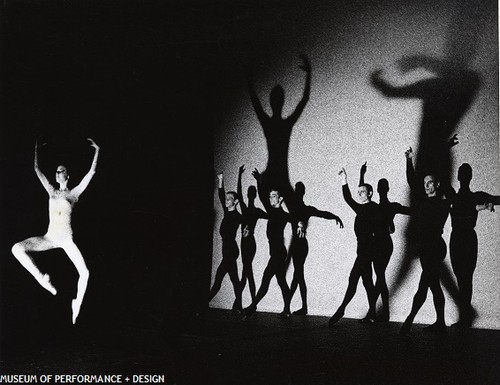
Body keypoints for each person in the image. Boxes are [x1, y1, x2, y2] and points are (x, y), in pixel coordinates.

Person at [11, 138, 100, 324]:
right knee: (17, 248)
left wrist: (97, 150)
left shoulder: (74, 194)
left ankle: (76, 303)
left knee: (85, 273)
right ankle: (43, 280)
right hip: (50, 237)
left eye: (61, 171)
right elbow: (37, 171)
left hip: (66, 239)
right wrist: (35, 151)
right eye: (56, 171)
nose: (57, 173)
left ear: (67, 175)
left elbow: (91, 172)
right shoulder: (51, 191)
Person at [400, 147, 451, 335]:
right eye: (425, 183)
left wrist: (444, 153)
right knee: (434, 285)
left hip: (435, 248)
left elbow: (441, 179)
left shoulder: (444, 203)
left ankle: (409, 319)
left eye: (430, 182)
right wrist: (409, 160)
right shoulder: (423, 201)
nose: (426, 185)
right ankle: (440, 323)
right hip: (425, 249)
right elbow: (412, 181)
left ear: (437, 184)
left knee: (425, 284)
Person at [242, 169, 300, 320]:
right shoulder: (270, 211)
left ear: (280, 199)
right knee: (281, 281)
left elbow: (294, 219)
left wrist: (299, 224)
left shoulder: (283, 214)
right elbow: (261, 195)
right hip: (274, 252)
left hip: (279, 253)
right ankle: (287, 309)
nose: (271, 198)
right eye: (270, 196)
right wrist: (259, 181)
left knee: (266, 278)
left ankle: (252, 306)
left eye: (274, 196)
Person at [329, 167, 382, 326]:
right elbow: (348, 198)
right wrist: (345, 179)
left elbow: (380, 228)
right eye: (358, 192)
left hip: (368, 250)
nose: (359, 194)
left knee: (353, 278)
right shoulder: (361, 208)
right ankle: (372, 313)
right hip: (363, 249)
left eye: (362, 192)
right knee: (367, 283)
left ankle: (341, 309)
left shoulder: (374, 208)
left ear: (370, 194)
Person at [449, 163, 500, 328]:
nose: (463, 177)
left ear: (466, 177)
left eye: (464, 174)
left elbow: (497, 199)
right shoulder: (466, 196)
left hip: (463, 238)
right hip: (462, 238)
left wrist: (487, 204)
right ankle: (465, 316)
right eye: (462, 174)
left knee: (465, 278)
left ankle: (465, 317)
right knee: (463, 278)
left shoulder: (464, 196)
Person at [359, 162, 411, 321]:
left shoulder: (388, 206)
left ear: (386, 189)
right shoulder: (376, 206)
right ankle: (376, 312)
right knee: (378, 278)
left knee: (379, 277)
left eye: (383, 187)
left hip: (384, 244)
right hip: (377, 244)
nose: (382, 189)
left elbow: (411, 211)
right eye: (380, 187)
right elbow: (361, 193)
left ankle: (377, 312)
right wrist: (361, 175)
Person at [289, 181, 343, 315]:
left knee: (298, 275)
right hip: (298, 244)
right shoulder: (295, 209)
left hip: (300, 245)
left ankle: (295, 306)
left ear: (301, 192)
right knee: (297, 275)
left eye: (299, 189)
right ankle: (293, 306)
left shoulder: (303, 209)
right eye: (297, 189)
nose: (297, 192)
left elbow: (323, 213)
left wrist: (335, 217)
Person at [208, 172, 243, 312]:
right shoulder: (227, 213)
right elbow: (221, 195)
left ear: (235, 202)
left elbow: (247, 221)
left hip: (231, 250)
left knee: (219, 280)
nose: (227, 201)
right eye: (227, 199)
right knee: (234, 279)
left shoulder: (237, 216)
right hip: (227, 250)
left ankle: (201, 305)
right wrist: (221, 180)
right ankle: (238, 306)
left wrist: (247, 229)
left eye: (230, 199)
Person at [237, 165, 268, 302]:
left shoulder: (255, 211)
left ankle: (246, 302)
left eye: (252, 192)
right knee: (246, 272)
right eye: (250, 191)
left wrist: (259, 182)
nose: (250, 194)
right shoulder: (247, 208)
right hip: (244, 242)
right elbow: (239, 193)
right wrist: (239, 176)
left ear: (253, 195)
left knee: (247, 272)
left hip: (249, 243)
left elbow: (270, 215)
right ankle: (242, 302)